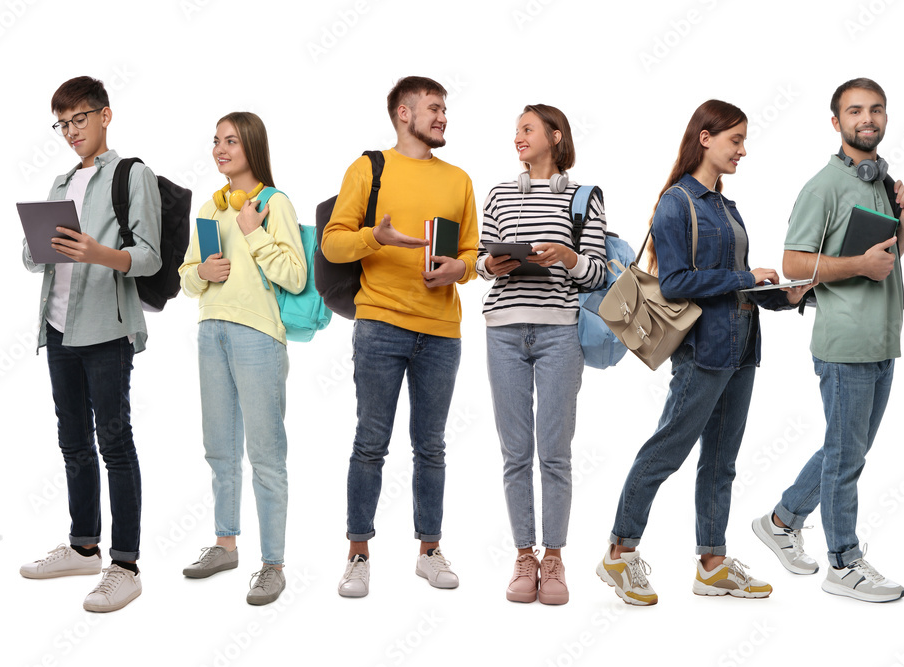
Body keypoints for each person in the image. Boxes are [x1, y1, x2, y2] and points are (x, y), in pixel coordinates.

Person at [596, 100, 813, 605]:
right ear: (705, 138)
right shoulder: (678, 202)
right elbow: (673, 284)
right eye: (735, 140)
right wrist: (746, 275)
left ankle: (712, 564)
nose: (743, 150)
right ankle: (618, 553)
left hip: (742, 350)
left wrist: (786, 295)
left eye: (743, 140)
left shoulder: (725, 206)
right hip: (701, 351)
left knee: (722, 461)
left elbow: (738, 288)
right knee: (666, 451)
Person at [751, 78, 904, 603]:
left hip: (882, 338)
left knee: (848, 447)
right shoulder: (823, 185)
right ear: (836, 122)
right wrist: (859, 266)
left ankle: (781, 520)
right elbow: (795, 264)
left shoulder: (881, 184)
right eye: (855, 111)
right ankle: (842, 561)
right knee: (848, 456)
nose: (867, 119)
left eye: (876, 110)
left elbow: (887, 261)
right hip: (845, 342)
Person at [322, 76, 479, 598]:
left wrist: (459, 268)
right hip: (381, 325)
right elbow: (333, 244)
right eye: (434, 109)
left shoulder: (458, 179)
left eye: (444, 109)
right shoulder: (369, 168)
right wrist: (376, 237)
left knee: (430, 447)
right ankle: (358, 553)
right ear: (403, 113)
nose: (443, 118)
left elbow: (475, 255)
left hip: (440, 330)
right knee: (371, 443)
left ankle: (429, 551)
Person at [19, 76, 161, 612]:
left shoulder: (131, 174)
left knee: (115, 443)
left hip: (107, 329)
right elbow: (35, 258)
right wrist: (41, 247)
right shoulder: (60, 183)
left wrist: (96, 252)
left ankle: (124, 564)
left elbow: (148, 256)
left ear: (105, 116)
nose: (71, 131)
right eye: (63, 123)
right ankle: (83, 546)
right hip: (57, 327)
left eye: (80, 119)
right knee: (72, 440)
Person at [477, 104, 606, 605]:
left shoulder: (582, 197)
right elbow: (482, 265)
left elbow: (596, 274)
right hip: (504, 330)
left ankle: (554, 557)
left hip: (559, 332)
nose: (518, 138)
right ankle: (523, 554)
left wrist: (568, 256)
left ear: (555, 135)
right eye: (514, 131)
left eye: (527, 129)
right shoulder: (499, 194)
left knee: (554, 452)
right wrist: (492, 262)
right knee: (515, 453)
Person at [178, 112, 306, 605]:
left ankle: (272, 564)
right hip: (211, 331)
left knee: (267, 455)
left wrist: (254, 232)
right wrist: (203, 271)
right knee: (220, 448)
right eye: (215, 141)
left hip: (258, 336)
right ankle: (225, 543)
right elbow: (188, 279)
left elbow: (295, 276)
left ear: (252, 146)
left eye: (231, 141)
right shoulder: (211, 211)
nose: (220, 149)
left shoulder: (274, 205)